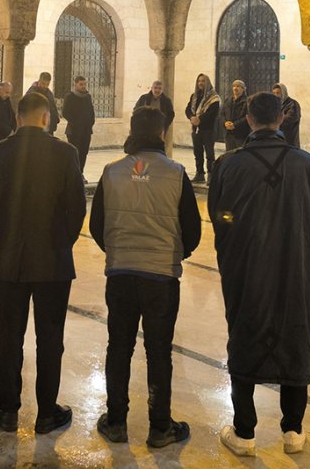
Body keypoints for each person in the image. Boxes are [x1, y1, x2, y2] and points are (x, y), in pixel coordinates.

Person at [209, 92, 310, 457]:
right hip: (295, 264)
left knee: (246, 328)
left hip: (247, 264)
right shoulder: (306, 165)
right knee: (294, 331)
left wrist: (236, 238)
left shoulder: (230, 164)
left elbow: (220, 216)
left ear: (248, 118)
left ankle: (244, 431)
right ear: (281, 118)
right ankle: (293, 429)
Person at [90, 106, 200, 448]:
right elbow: (193, 231)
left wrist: (118, 248)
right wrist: (172, 254)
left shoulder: (112, 172)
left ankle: (117, 422)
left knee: (118, 348)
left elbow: (96, 226)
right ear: (162, 134)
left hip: (121, 273)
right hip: (161, 278)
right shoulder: (177, 173)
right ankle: (160, 426)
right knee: (159, 352)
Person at [0, 91, 86, 434]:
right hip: (53, 260)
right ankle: (46, 414)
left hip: (11, 258)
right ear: (45, 118)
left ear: (18, 118)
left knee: (10, 335)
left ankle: (8, 411)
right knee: (50, 337)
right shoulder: (65, 153)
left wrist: (4, 235)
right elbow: (76, 209)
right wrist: (61, 242)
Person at [185, 74, 220, 182]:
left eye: (203, 81)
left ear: (207, 82)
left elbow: (212, 113)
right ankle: (199, 174)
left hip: (208, 129)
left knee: (209, 153)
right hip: (196, 129)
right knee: (197, 152)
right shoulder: (194, 96)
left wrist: (199, 120)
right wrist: (191, 117)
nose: (200, 83)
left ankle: (211, 175)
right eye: (199, 81)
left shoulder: (214, 98)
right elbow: (188, 109)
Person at [63, 75, 96, 171]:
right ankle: (73, 173)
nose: (83, 86)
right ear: (75, 84)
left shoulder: (87, 96)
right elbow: (65, 113)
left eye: (85, 84)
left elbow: (91, 112)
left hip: (86, 131)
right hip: (74, 131)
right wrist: (76, 122)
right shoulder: (70, 96)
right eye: (81, 84)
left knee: (83, 153)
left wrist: (90, 123)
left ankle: (80, 172)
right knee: (74, 153)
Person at [220, 80, 250, 152]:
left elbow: (247, 116)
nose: (235, 88)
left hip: (240, 134)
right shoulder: (227, 100)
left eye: (238, 86)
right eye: (234, 86)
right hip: (229, 134)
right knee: (229, 155)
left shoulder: (247, 101)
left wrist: (235, 125)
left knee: (240, 155)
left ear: (243, 89)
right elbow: (222, 114)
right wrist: (225, 123)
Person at [272, 82, 302, 147]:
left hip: (290, 141)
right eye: (274, 93)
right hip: (278, 140)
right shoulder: (276, 105)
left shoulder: (292, 104)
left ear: (283, 92)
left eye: (278, 93)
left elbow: (291, 118)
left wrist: (275, 119)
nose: (275, 95)